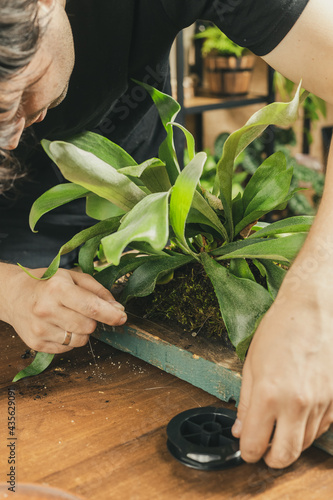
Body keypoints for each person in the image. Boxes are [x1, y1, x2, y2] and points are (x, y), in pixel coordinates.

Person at [0, 0, 332, 469]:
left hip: (149, 207)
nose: (11, 139)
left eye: (17, 95)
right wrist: (7, 289)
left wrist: (315, 302)